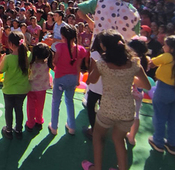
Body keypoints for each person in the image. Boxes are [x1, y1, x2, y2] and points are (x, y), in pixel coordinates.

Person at [82, 30, 151, 170]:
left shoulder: (102, 63)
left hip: (108, 108)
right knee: (119, 140)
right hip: (127, 110)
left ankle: (97, 167)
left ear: (104, 46)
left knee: (98, 136)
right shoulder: (134, 62)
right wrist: (128, 77)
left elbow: (91, 81)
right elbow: (147, 85)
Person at [148, 35, 175, 155]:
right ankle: (173, 144)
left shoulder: (167, 56)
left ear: (172, 48)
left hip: (164, 90)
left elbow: (152, 62)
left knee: (160, 117)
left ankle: (158, 141)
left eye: (166, 45)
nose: (163, 46)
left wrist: (149, 60)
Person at [50, 25, 87, 135]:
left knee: (56, 102)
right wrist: (77, 80)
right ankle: (71, 127)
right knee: (69, 101)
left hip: (60, 78)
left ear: (63, 36)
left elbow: (55, 62)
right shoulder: (80, 49)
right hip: (72, 78)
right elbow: (78, 67)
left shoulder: (60, 47)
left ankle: (54, 127)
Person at [0, 31, 31, 139]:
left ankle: (8, 129)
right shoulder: (28, 55)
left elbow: (0, 70)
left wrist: (1, 60)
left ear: (11, 44)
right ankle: (18, 129)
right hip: (23, 89)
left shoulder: (8, 58)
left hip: (9, 89)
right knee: (19, 109)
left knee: (9, 109)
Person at [126, 38, 150, 145]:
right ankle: (132, 137)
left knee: (129, 114)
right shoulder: (145, 60)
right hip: (139, 92)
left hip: (131, 91)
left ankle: (127, 134)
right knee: (136, 115)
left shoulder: (134, 62)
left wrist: (131, 79)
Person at [26, 42, 52, 131]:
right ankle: (39, 120)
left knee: (31, 106)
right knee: (40, 105)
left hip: (31, 88)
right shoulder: (47, 63)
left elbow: (29, 75)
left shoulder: (32, 64)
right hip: (42, 88)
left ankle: (30, 122)